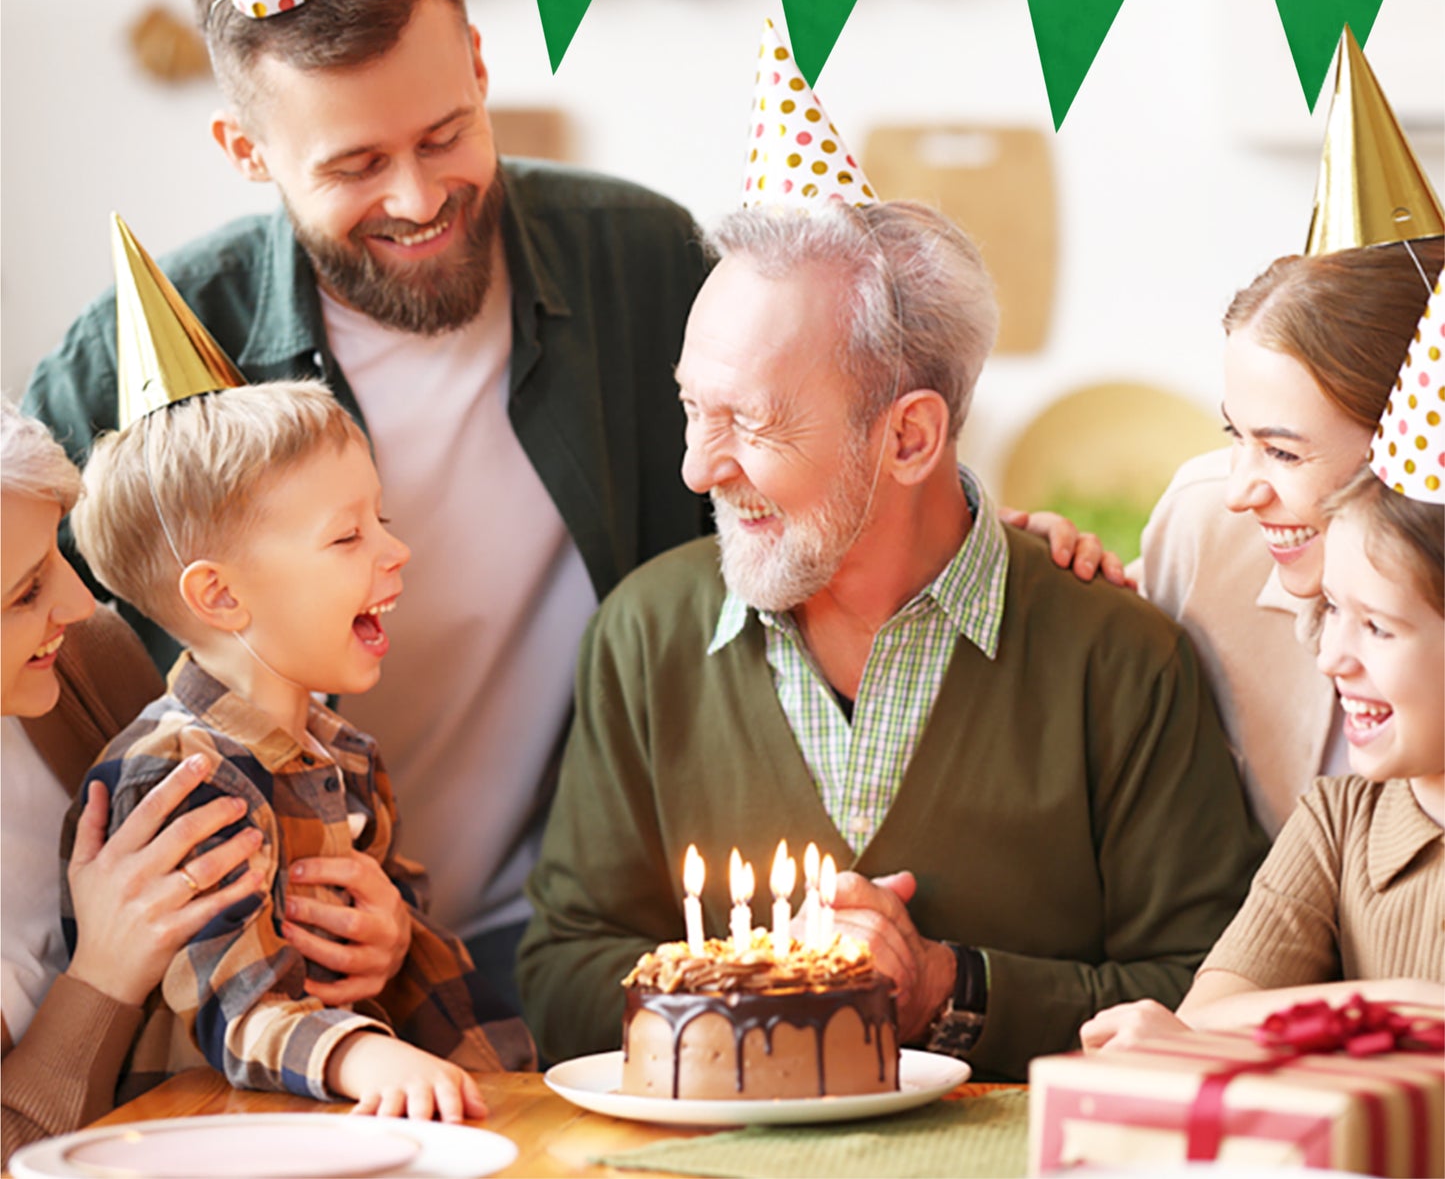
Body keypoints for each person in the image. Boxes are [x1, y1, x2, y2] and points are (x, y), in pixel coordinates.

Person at [23, 0, 711, 1006]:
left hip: (569, 937)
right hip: (265, 964)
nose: (416, 194)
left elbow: (792, 506)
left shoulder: (638, 263)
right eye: (354, 163)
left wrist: (978, 532)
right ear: (249, 155)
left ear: (481, 70)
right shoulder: (144, 347)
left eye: (444, 134)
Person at [515, 199, 1266, 1081]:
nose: (696, 465)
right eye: (692, 405)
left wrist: (951, 989)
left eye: (750, 422)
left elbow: (1209, 992)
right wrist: (774, 997)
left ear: (908, 436)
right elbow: (559, 974)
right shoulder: (641, 636)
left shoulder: (1119, 658)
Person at [65, 379, 501, 1116]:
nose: (397, 548)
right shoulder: (176, 777)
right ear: (220, 596)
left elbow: (415, 971)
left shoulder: (348, 756)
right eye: (347, 535)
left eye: (381, 517)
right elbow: (234, 1003)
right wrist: (360, 1053)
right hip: (204, 1146)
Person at [1082, 464, 1444, 1050]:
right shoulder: (1338, 823)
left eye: (1376, 627)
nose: (1330, 657)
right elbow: (1204, 1017)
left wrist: (1357, 1011)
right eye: (1332, 609)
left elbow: (1220, 1029)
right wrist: (1409, 1006)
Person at [1, 400, 261, 1165]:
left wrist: (371, 934)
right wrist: (103, 977)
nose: (78, 604)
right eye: (24, 592)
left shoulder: (86, 659)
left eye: (58, 556)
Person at [1136, 237, 1442, 838]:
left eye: (1282, 451)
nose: (1240, 491)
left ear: (1408, 440)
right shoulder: (1205, 532)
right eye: (1235, 434)